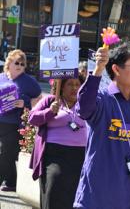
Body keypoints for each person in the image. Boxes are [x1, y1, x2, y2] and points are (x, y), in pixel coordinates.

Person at [73, 41, 130, 209]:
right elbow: (83, 109)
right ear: (116, 69)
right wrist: (98, 70)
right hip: (96, 198)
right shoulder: (102, 99)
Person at [29, 76, 87, 209]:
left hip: (80, 155)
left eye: (77, 84)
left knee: (76, 194)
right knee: (54, 186)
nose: (74, 88)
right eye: (70, 84)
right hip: (54, 154)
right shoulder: (51, 100)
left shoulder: (85, 103)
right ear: (61, 87)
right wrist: (50, 112)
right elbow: (32, 118)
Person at [0, 49, 42, 191]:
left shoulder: (29, 82)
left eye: (22, 63)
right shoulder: (1, 77)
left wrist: (25, 103)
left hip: (15, 123)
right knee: (7, 154)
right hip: (0, 120)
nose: (19, 65)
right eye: (16, 62)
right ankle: (12, 182)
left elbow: (39, 100)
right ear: (9, 63)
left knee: (5, 152)